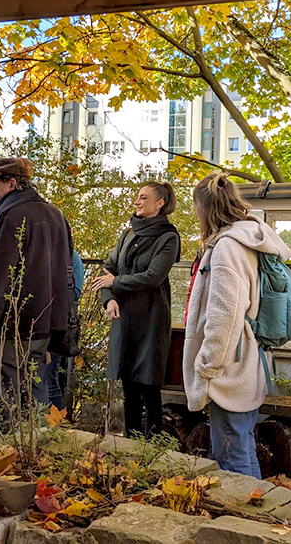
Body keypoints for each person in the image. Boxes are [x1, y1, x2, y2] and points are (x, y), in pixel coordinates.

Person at [183, 173, 291, 478]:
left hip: (229, 368)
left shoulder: (228, 247)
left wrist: (208, 366)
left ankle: (244, 522)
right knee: (239, 445)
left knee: (232, 455)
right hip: (247, 359)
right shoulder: (248, 239)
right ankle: (252, 515)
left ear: (205, 208)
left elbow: (225, 314)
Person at [0, 157, 74, 425]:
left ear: (12, 183)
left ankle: (8, 459)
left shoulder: (11, 215)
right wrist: (56, 329)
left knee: (6, 405)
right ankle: (38, 454)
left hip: (12, 326)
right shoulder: (56, 214)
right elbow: (65, 275)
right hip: (43, 326)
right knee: (36, 396)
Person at [93, 182, 181, 439]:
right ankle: (131, 448)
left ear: (160, 203)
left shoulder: (169, 237)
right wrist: (109, 299)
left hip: (151, 318)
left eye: (143, 197)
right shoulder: (128, 233)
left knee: (149, 385)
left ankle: (152, 446)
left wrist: (115, 283)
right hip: (123, 317)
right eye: (137, 197)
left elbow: (153, 276)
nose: (137, 201)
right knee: (128, 386)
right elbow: (107, 270)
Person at [45, 249, 85, 411]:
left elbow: (75, 293)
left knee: (50, 378)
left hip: (56, 325)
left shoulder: (71, 257)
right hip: (34, 324)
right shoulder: (38, 251)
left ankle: (55, 424)